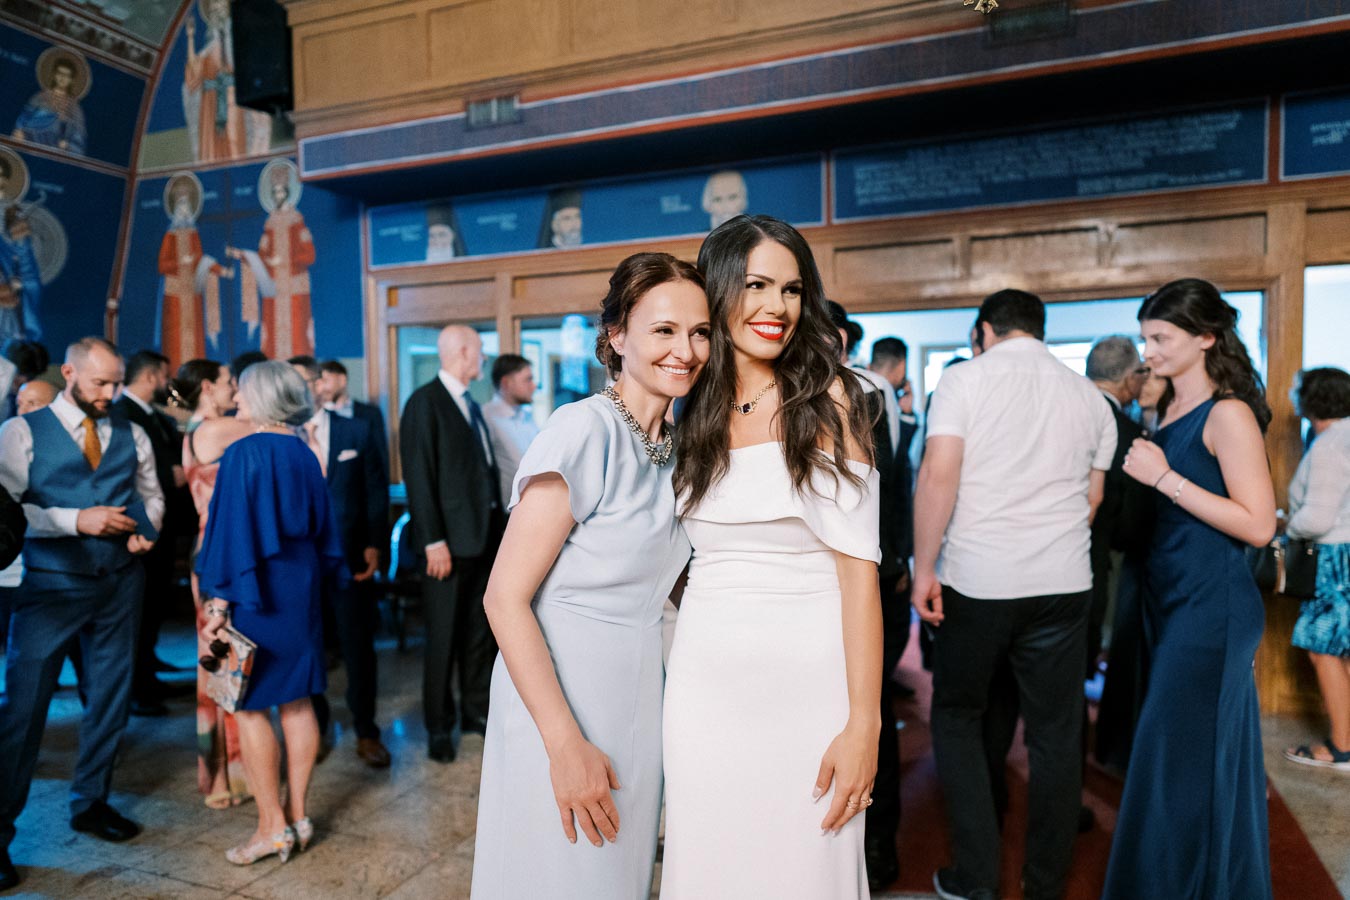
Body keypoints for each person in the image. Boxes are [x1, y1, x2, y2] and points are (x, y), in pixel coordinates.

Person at [471, 252, 710, 898]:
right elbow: (504, 598)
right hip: (560, 694)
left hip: (636, 690)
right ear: (617, 335)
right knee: (559, 874)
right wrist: (564, 744)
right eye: (664, 330)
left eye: (700, 331)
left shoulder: (678, 451)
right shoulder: (584, 431)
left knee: (615, 878)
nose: (685, 349)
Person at [663, 215, 882, 899]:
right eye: (756, 284)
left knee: (806, 868)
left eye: (791, 289)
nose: (776, 307)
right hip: (704, 686)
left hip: (810, 686)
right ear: (720, 286)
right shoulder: (688, 401)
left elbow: (859, 578)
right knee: (710, 864)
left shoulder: (830, 397)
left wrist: (865, 724)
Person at [911, 290, 1115, 900]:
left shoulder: (964, 382)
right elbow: (1092, 502)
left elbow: (938, 476)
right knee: (1056, 734)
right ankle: (1044, 882)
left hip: (980, 580)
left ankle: (976, 880)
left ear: (984, 330)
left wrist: (925, 569)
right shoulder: (1090, 397)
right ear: (1039, 330)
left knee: (956, 717)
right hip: (1063, 583)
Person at [1104, 278, 1276, 900]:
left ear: (1206, 338)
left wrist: (1166, 478)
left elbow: (1258, 524)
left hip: (1212, 607)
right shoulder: (1164, 410)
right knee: (1186, 759)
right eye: (1146, 337)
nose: (1146, 351)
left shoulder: (1227, 413)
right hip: (1168, 598)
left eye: (1160, 338)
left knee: (1178, 762)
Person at [0, 338, 165, 893]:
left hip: (120, 585)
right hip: (49, 587)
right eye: (100, 383)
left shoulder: (133, 432)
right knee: (22, 711)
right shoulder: (20, 433)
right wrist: (76, 520)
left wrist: (147, 529)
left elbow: (152, 494)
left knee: (111, 701)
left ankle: (91, 802)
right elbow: (8, 513)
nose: (111, 394)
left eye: (118, 383)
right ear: (69, 372)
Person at [196, 361, 347, 865]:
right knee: (299, 703)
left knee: (252, 706)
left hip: (256, 592)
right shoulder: (305, 452)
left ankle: (270, 827)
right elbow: (326, 533)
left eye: (243, 393)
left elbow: (230, 532)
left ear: (262, 398)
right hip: (299, 592)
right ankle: (298, 815)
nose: (237, 400)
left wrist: (217, 602)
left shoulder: (243, 454)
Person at [826, 303, 907, 891]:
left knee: (872, 709)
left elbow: (894, 480)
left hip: (870, 572)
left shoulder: (867, 397)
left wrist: (897, 560)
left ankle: (879, 844)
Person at [400, 325, 503, 761]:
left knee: (479, 634)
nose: (483, 359)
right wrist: (433, 541)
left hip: (483, 538)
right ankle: (439, 727)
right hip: (447, 545)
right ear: (462, 352)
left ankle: (474, 711)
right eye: (479, 351)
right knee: (442, 638)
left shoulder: (471, 404)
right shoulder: (424, 403)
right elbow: (419, 478)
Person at [299, 373, 392, 768]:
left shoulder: (355, 429)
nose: (305, 389)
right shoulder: (283, 437)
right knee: (309, 646)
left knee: (358, 647)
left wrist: (375, 544)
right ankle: (315, 728)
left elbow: (375, 489)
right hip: (300, 563)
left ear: (321, 384)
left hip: (351, 556)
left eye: (309, 381)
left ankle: (367, 731)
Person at [171, 358, 252, 809]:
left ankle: (224, 772)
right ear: (207, 387)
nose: (234, 391)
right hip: (218, 552)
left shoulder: (203, 428)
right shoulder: (214, 429)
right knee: (224, 658)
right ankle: (230, 774)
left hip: (212, 550)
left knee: (219, 658)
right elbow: (271, 422)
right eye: (228, 384)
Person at [1086, 337, 1153, 775]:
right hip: (1102, 554)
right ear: (1129, 379)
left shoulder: (1061, 411)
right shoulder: (1128, 432)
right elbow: (1133, 516)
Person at [1281, 367, 1350, 768]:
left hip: (1334, 560)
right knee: (1341, 652)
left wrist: (1283, 524)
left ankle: (1341, 747)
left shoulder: (1328, 446)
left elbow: (1318, 518)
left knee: (1323, 651)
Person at [113, 350, 188, 717]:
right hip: (141, 526)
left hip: (164, 521)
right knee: (139, 611)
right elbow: (129, 479)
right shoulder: (121, 414)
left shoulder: (153, 416)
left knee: (155, 604)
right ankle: (139, 686)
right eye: (164, 377)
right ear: (150, 376)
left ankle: (150, 670)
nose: (167, 384)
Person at [229, 162, 315, 360]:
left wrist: (284, 261)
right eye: (274, 193)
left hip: (294, 287)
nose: (277, 196)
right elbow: (262, 255)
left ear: (287, 192)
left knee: (297, 336)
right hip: (274, 288)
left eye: (280, 191)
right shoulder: (270, 223)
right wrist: (243, 255)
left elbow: (309, 255)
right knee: (273, 339)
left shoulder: (297, 221)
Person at [481, 354, 540, 508]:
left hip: (535, 506)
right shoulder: (487, 417)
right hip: (507, 513)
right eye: (528, 380)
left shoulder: (526, 416)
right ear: (506, 384)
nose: (533, 386)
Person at [316, 359, 389, 476]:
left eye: (326, 380)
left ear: (342, 380)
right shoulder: (316, 417)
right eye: (318, 383)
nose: (322, 388)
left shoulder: (369, 414)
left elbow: (380, 457)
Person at [12, 53, 87, 154]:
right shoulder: (39, 98)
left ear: (72, 80)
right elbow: (24, 119)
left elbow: (79, 136)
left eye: (67, 75)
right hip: (31, 144)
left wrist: (68, 145)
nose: (62, 78)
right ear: (54, 74)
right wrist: (19, 132)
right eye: (59, 73)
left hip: (56, 151)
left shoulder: (74, 108)